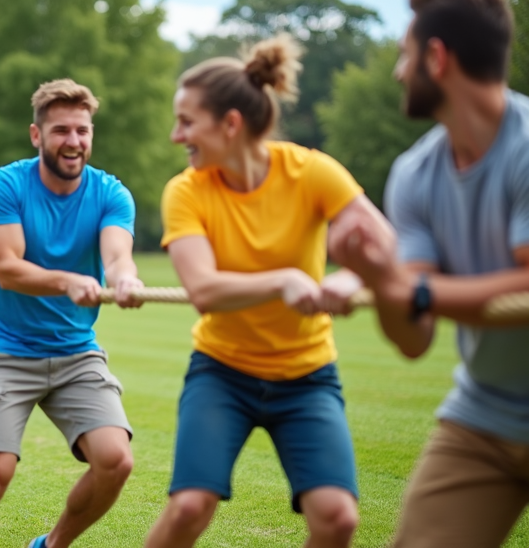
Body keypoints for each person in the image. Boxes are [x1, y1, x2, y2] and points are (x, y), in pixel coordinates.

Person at [142, 34, 395, 548]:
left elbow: (383, 245)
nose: (176, 135)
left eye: (187, 121)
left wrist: (346, 280)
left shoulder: (311, 171)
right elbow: (204, 288)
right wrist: (285, 280)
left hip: (307, 376)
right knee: (190, 507)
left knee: (338, 518)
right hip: (222, 373)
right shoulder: (186, 190)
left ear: (230, 124)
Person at [328, 0, 529, 548]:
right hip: (485, 414)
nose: (397, 71)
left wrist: (409, 290)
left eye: (404, 54)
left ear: (437, 59)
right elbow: (414, 335)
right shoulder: (414, 174)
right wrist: (376, 279)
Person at [0, 79, 141, 548]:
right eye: (60, 130)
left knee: (116, 461)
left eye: (82, 130)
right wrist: (68, 281)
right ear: (36, 135)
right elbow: (8, 268)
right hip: (8, 354)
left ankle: (52, 545)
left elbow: (117, 256)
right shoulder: (4, 184)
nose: (73, 141)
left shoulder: (111, 193)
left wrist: (125, 278)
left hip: (77, 355)